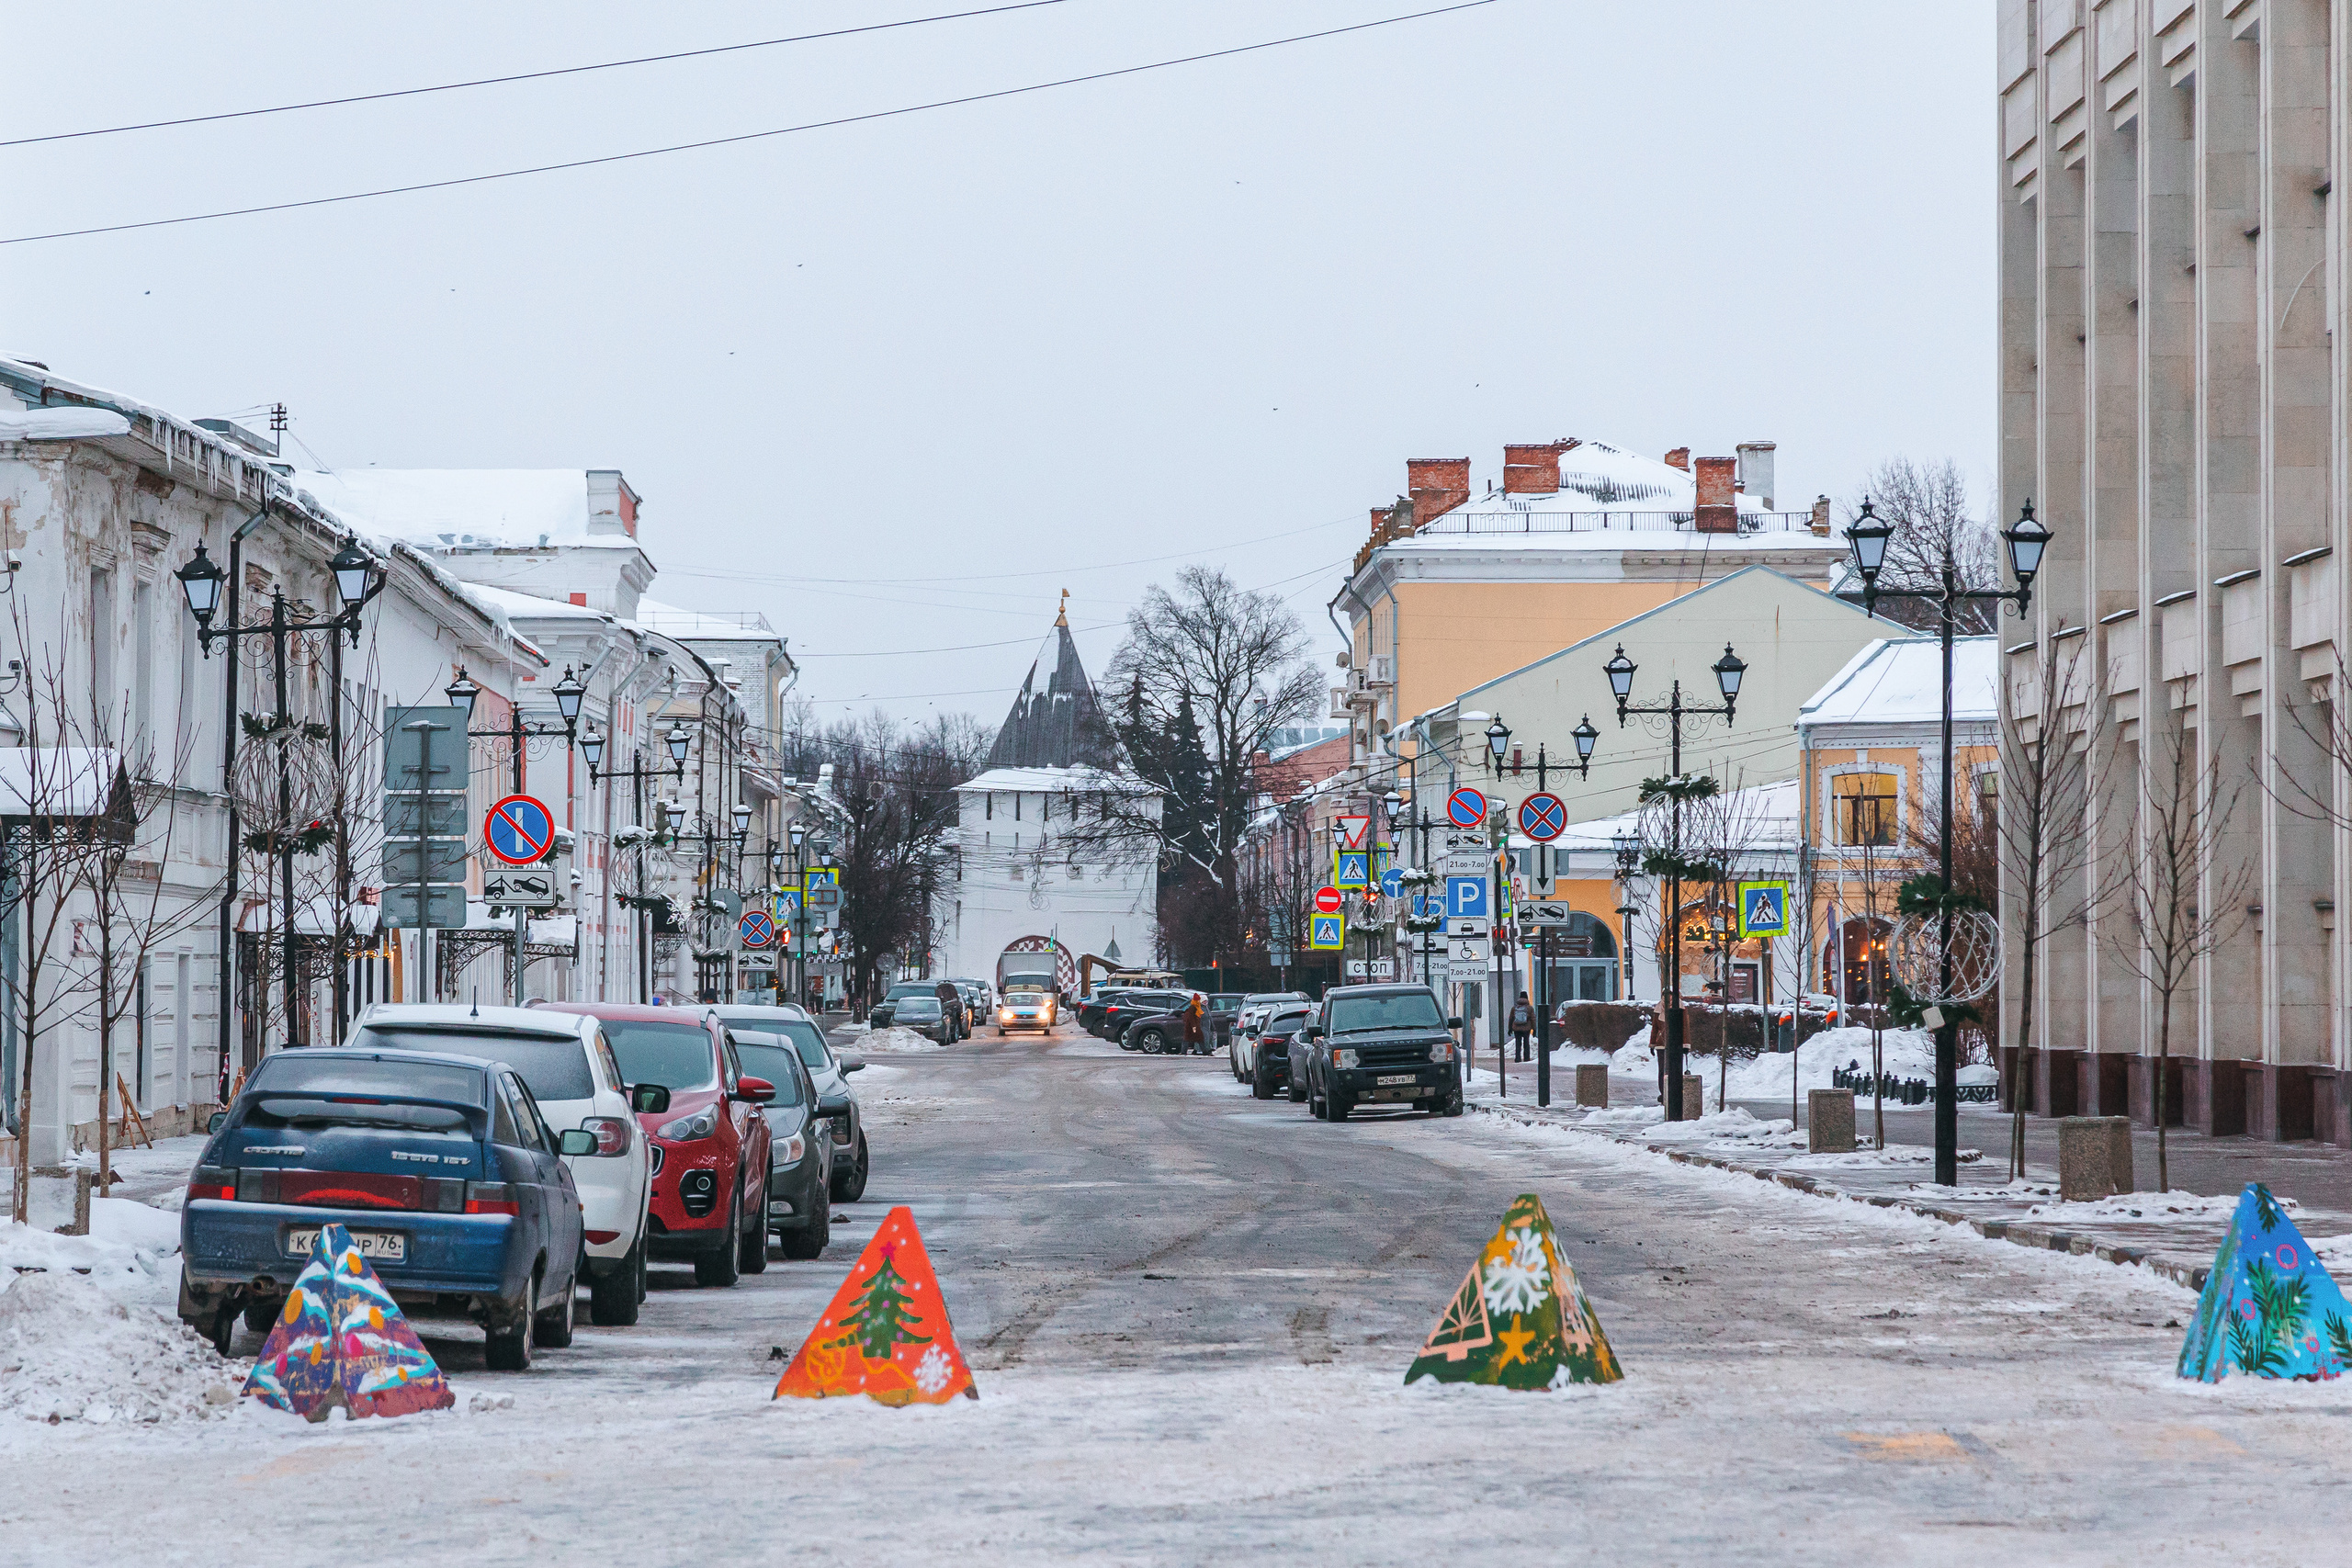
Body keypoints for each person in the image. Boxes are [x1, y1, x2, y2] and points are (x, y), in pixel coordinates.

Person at [1509, 991, 1533, 1063]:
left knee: (1518, 1043)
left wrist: (1510, 1028)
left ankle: (1518, 1058)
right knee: (1526, 1043)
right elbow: (1533, 1019)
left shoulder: (1515, 1008)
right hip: (1526, 1028)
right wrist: (1534, 1028)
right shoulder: (1530, 1008)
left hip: (1517, 1028)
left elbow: (1511, 1018)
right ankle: (1526, 1058)